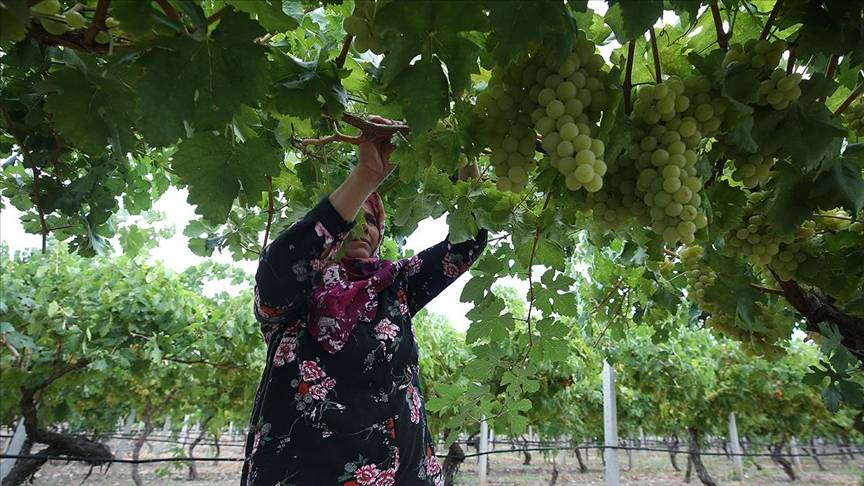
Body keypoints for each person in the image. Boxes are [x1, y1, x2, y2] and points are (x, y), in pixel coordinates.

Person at [241, 116, 488, 485]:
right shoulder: (298, 290)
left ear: (380, 234)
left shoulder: (396, 285)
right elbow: (279, 267)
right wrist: (366, 176)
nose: (363, 226)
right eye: (354, 216)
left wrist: (461, 141)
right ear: (335, 230)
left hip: (401, 474)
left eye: (372, 220)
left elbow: (465, 244)